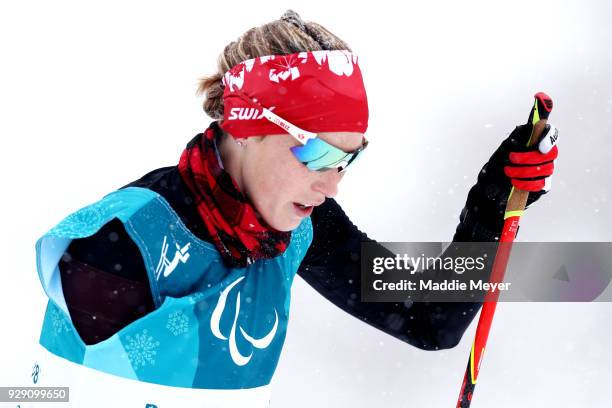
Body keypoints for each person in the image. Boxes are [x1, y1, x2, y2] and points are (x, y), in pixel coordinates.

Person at [34, 9, 559, 405]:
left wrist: (489, 208)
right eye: (319, 153)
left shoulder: (293, 231)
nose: (331, 185)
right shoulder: (128, 237)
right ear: (246, 126)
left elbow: (428, 320)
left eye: (349, 159)